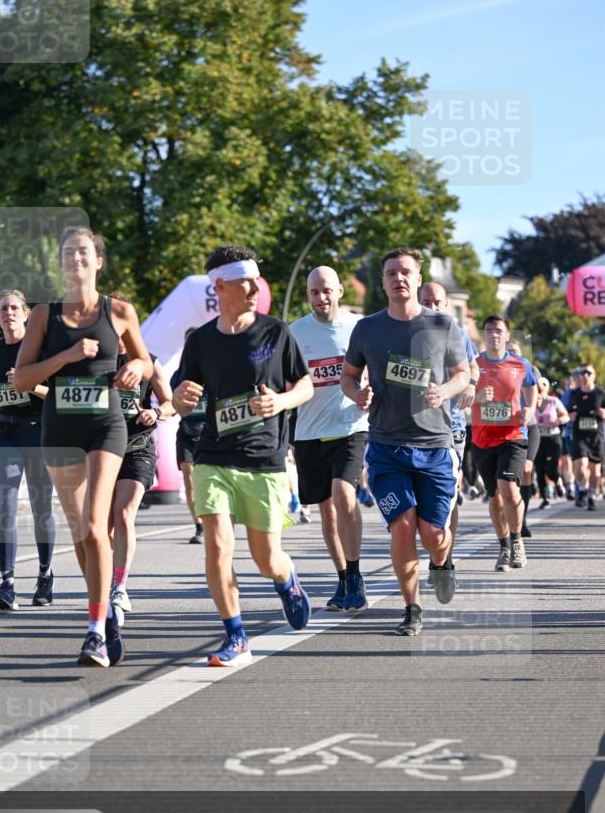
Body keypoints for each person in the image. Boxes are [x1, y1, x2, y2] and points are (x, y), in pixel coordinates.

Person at [15, 227, 152, 668]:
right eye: (68, 253)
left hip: (106, 427)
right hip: (59, 431)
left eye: (83, 252)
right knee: (80, 533)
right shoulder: (43, 315)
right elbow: (20, 379)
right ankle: (105, 614)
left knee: (97, 527)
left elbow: (146, 359)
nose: (75, 258)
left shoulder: (119, 311)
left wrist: (134, 364)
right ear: (60, 264)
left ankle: (94, 631)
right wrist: (67, 357)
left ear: (98, 262)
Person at [172, 244, 314, 667]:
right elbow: (183, 400)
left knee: (265, 558)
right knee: (216, 545)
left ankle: (286, 580)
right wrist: (180, 396)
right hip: (213, 455)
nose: (255, 288)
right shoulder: (201, 341)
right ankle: (235, 634)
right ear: (221, 287)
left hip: (263, 457)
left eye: (256, 281)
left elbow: (305, 386)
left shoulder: (275, 332)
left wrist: (283, 402)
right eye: (244, 283)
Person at [341, 247, 469, 636]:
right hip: (385, 446)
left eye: (406, 272)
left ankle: (442, 562)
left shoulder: (443, 325)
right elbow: (348, 376)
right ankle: (411, 608)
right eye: (391, 273)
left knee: (433, 535)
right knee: (402, 526)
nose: (398, 278)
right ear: (382, 282)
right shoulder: (367, 329)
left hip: (433, 444)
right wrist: (356, 395)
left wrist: (443, 391)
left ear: (418, 278)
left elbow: (463, 374)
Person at [290, 265, 369, 612]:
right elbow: (285, 381)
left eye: (326, 291)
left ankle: (355, 575)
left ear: (339, 291)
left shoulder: (358, 328)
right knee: (326, 510)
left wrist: (371, 392)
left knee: (344, 494)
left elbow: (377, 369)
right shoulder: (294, 333)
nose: (320, 298)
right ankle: (342, 579)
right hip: (308, 432)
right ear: (307, 295)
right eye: (313, 292)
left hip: (350, 426)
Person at [0, 290, 57, 610]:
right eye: (3, 309)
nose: (8, 312)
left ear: (26, 314)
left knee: (41, 509)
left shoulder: (40, 348)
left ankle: (44, 575)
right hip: (6, 432)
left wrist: (29, 384)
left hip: (39, 432)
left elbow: (55, 393)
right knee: (6, 506)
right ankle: (7, 583)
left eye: (14, 308)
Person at [107, 301, 174, 662]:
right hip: (102, 451)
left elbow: (171, 402)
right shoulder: (94, 362)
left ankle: (119, 586)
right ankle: (104, 586)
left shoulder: (147, 360)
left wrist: (156, 412)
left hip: (137, 447)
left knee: (124, 514)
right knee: (100, 527)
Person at [418, 281, 479, 587]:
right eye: (427, 301)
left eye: (438, 301)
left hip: (450, 427)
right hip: (412, 428)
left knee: (449, 498)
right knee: (419, 502)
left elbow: (474, 368)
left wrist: (469, 384)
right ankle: (435, 549)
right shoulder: (405, 329)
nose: (433, 306)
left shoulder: (457, 332)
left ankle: (444, 559)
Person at [471, 316, 537, 572]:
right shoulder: (474, 365)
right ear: (484, 335)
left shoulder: (520, 364)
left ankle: (517, 540)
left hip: (512, 436)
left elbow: (531, 388)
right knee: (496, 498)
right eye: (489, 330)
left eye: (499, 331)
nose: (494, 335)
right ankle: (504, 547)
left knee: (508, 488)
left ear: (507, 335)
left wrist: (529, 409)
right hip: (482, 439)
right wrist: (477, 396)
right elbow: (459, 399)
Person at [170, 327, 207, 544]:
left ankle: (216, 519)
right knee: (189, 479)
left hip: (211, 434)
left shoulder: (214, 370)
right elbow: (173, 406)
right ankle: (199, 526)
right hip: (187, 432)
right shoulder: (178, 375)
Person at [507, 339, 541, 537]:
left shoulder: (528, 368)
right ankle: (514, 515)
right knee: (513, 478)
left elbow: (539, 390)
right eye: (509, 351)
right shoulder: (498, 368)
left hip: (530, 426)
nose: (513, 355)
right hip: (508, 427)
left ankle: (523, 518)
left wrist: (536, 400)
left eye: (515, 351)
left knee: (527, 470)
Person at [567, 364, 605, 511]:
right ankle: (582, 489)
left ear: (594, 375)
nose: (586, 376)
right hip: (579, 434)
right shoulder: (574, 394)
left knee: (595, 471)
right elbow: (568, 412)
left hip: (596, 435)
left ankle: (591, 496)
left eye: (589, 373)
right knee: (580, 465)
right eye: (583, 373)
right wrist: (571, 415)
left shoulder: (600, 393)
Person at [534, 377, 569, 508]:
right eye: (537, 388)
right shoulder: (531, 402)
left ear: (547, 387)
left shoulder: (554, 401)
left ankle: (558, 481)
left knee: (551, 468)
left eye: (542, 387)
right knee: (539, 469)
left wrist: (558, 421)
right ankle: (545, 497)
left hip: (553, 438)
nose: (539, 390)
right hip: (538, 439)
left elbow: (565, 416)